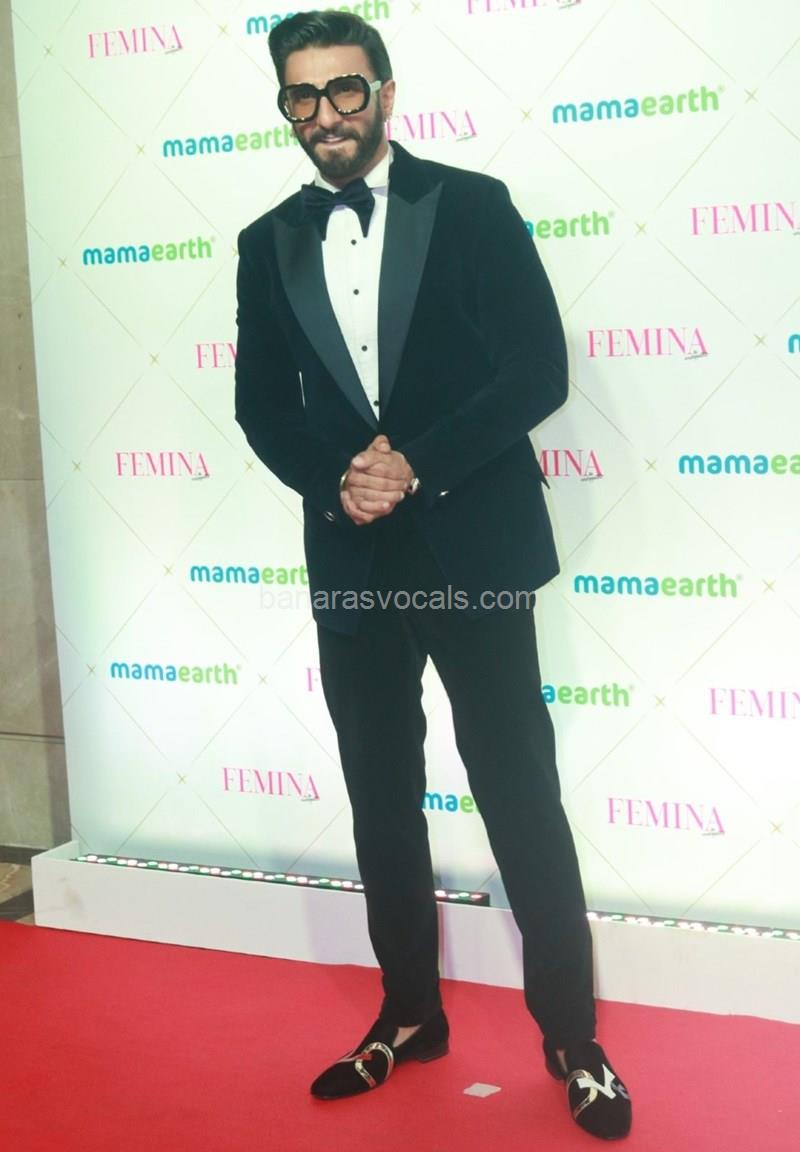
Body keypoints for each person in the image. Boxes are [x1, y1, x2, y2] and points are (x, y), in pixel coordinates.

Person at [234, 10, 631, 1141]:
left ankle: (572, 1037)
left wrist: (414, 463)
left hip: (472, 547)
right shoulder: (265, 242)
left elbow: (534, 370)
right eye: (302, 95)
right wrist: (340, 485)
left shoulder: (473, 205)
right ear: (286, 107)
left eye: (344, 89)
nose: (325, 114)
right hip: (353, 556)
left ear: (385, 93)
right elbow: (261, 407)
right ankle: (408, 1014)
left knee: (517, 791)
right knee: (378, 795)